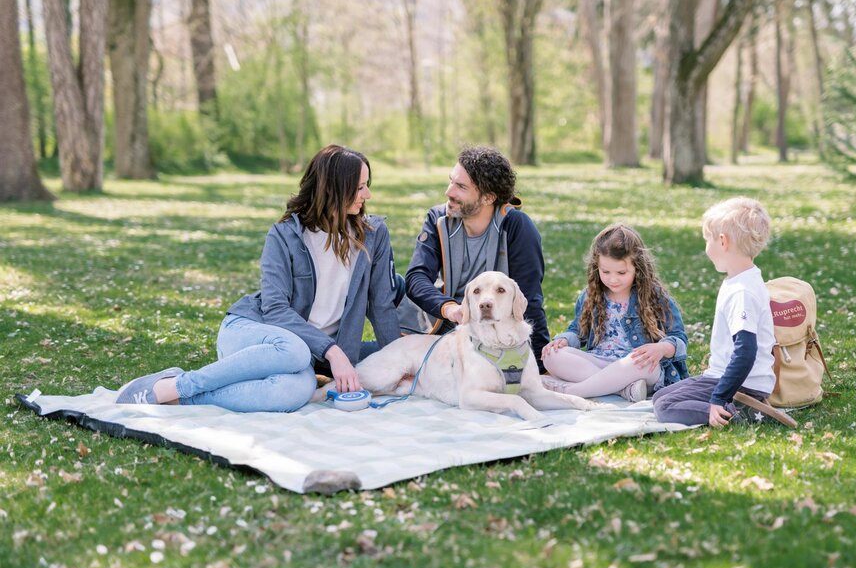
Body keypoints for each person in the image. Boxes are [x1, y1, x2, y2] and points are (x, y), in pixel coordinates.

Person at [115, 144, 402, 412]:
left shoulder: (373, 235)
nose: (367, 196)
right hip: (253, 332)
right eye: (359, 187)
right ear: (334, 191)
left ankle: (184, 397)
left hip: (308, 355)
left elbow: (381, 307)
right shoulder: (285, 236)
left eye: (367, 186)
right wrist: (334, 352)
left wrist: (398, 361)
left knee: (296, 391)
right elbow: (275, 310)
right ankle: (178, 385)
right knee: (295, 351)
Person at [402, 146, 550, 371]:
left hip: (494, 333)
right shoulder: (438, 219)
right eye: (451, 181)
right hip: (443, 326)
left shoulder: (517, 227)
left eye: (461, 186)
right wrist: (450, 309)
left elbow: (529, 297)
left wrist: (540, 362)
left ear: (489, 197)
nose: (449, 192)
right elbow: (416, 278)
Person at [652, 197, 776, 427]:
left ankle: (733, 413)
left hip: (742, 384)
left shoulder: (742, 291)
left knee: (664, 406)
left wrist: (719, 397)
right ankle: (730, 406)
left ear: (722, 241)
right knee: (660, 397)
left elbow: (746, 351)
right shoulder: (742, 280)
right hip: (725, 377)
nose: (705, 247)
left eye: (706, 239)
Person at [540, 223, 688, 402]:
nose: (613, 279)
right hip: (599, 360)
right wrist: (563, 340)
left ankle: (572, 391)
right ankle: (623, 390)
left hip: (636, 366)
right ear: (597, 267)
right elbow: (578, 332)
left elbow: (679, 338)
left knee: (638, 363)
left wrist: (661, 348)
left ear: (638, 269)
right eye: (606, 271)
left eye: (621, 272)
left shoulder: (655, 296)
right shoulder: (590, 295)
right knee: (552, 356)